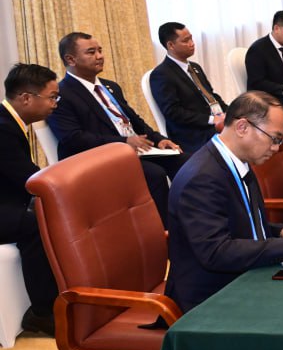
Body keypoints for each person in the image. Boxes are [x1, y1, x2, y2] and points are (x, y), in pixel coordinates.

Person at [166, 91, 283, 312]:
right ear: (242, 127)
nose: (276, 148)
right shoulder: (201, 178)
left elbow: (241, 223)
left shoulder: (236, 160)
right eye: (274, 138)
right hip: (211, 298)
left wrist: (282, 232)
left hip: (245, 273)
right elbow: (216, 252)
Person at [49, 32, 186, 223]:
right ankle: (163, 231)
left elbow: (135, 121)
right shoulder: (62, 94)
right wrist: (123, 142)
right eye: (91, 52)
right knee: (154, 175)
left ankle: (188, 221)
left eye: (100, 50)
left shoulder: (110, 86)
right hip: (100, 158)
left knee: (185, 161)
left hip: (135, 151)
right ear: (70, 59)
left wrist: (159, 139)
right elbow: (73, 138)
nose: (100, 56)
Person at [1, 64, 61, 335]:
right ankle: (42, 312)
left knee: (47, 213)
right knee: (38, 224)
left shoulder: (9, 121)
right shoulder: (3, 128)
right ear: (26, 98)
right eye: (51, 97)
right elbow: (28, 178)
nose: (55, 104)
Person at [149, 21, 228, 153]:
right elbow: (174, 112)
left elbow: (211, 95)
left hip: (215, 122)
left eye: (191, 38)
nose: (192, 43)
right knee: (243, 135)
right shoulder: (161, 74)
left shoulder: (195, 67)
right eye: (186, 41)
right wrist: (212, 120)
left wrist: (230, 112)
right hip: (194, 133)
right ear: (171, 45)